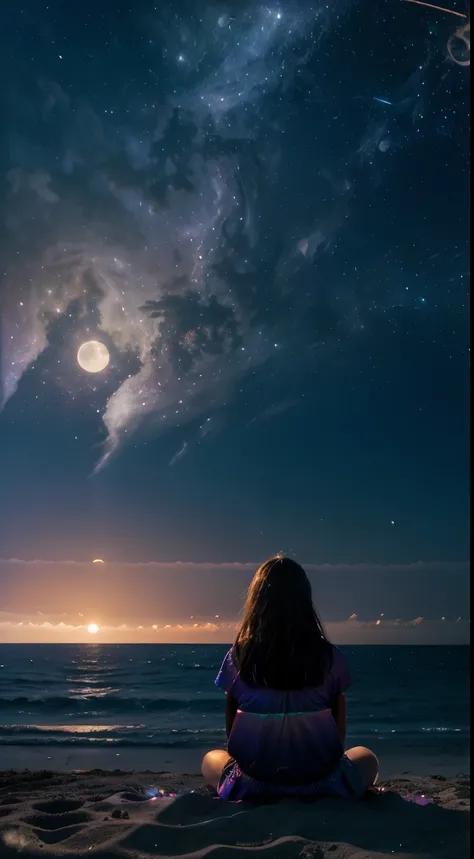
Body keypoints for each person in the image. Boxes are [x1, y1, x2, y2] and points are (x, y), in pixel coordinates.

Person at [202, 554, 379, 801]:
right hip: (321, 784)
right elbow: (338, 740)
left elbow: (232, 739)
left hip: (254, 785)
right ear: (305, 600)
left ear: (257, 601)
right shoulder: (329, 658)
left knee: (211, 759)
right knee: (367, 757)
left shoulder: (239, 657)